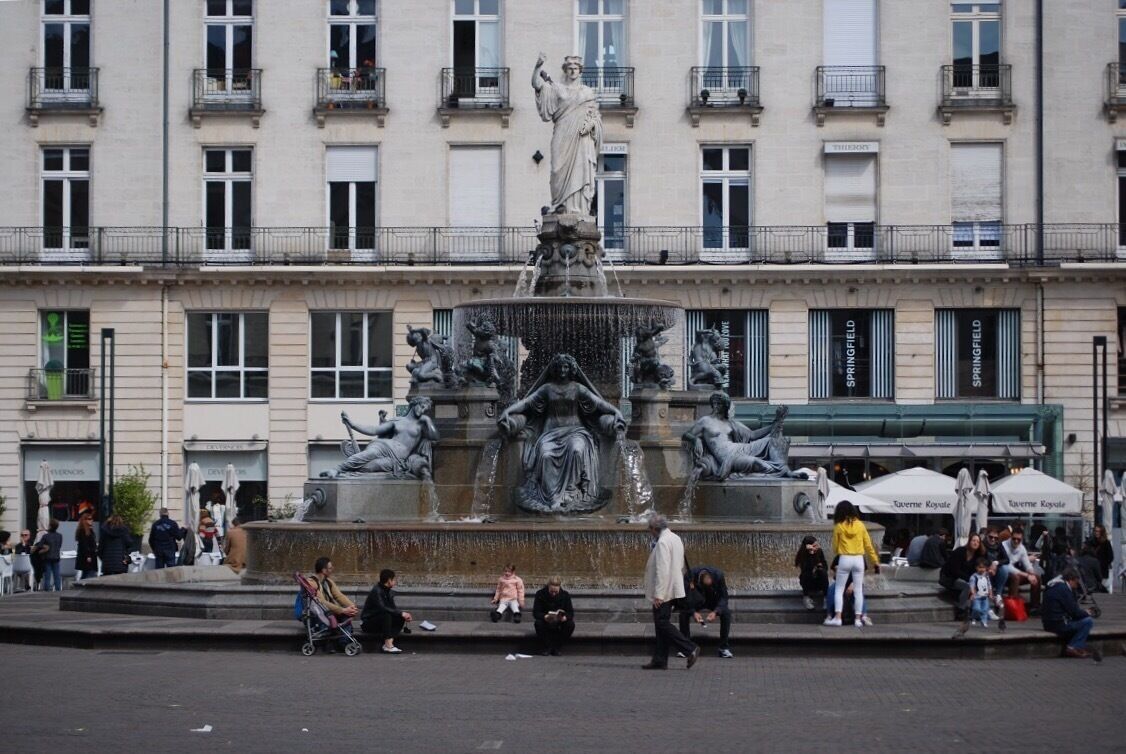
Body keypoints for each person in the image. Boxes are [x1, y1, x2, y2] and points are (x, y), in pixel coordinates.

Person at [641, 514, 699, 670]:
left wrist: (659, 595)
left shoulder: (662, 542)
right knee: (660, 624)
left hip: (664, 590)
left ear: (655, 529)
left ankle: (689, 648)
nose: (649, 532)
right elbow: (679, 564)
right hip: (674, 587)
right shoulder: (675, 538)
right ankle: (660, 659)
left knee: (662, 622)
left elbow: (662, 569)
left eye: (650, 529)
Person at [824, 501, 879, 627]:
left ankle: (837, 618)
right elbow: (868, 546)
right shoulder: (860, 525)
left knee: (839, 589)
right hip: (859, 559)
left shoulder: (839, 526)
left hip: (845, 558)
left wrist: (842, 549)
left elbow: (835, 547)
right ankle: (858, 620)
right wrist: (875, 561)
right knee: (858, 590)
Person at [1041, 568, 1101, 661]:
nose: (1076, 586)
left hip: (1048, 623)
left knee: (1080, 620)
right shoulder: (1064, 589)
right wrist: (1087, 613)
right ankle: (1073, 647)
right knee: (1087, 621)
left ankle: (1078, 646)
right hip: (1058, 624)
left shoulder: (1053, 585)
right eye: (1076, 582)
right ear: (1071, 579)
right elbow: (1075, 613)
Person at [679, 565, 734, 658]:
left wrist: (716, 611)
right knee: (684, 613)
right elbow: (684, 597)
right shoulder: (690, 575)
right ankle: (686, 648)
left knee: (726, 613)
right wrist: (693, 612)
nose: (709, 585)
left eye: (711, 584)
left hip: (712, 600)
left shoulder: (719, 575)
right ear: (700, 579)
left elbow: (724, 597)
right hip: (696, 600)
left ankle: (723, 648)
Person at [311, 557, 359, 651]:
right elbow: (321, 602)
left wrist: (352, 606)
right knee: (344, 614)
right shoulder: (312, 582)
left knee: (346, 616)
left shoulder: (328, 581)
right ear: (324, 570)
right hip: (320, 613)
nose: (332, 569)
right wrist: (342, 610)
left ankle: (343, 642)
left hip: (329, 611)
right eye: (330, 568)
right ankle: (343, 643)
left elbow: (339, 596)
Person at [361, 568, 412, 654]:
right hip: (368, 624)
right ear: (389, 580)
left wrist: (403, 615)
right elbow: (383, 608)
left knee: (400, 617)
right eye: (394, 579)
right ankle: (388, 645)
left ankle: (388, 643)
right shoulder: (376, 591)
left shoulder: (389, 591)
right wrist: (401, 613)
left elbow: (393, 609)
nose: (395, 581)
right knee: (386, 614)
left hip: (381, 622)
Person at [940, 532, 986, 621]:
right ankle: (960, 611)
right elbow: (954, 570)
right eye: (973, 540)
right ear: (969, 541)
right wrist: (970, 579)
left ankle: (976, 610)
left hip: (963, 578)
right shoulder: (960, 551)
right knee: (968, 586)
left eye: (978, 541)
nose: (975, 543)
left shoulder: (977, 556)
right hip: (949, 577)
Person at [532, 576, 575, 656]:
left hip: (560, 621)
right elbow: (536, 612)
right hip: (546, 620)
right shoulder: (540, 594)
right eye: (551, 591)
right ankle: (547, 647)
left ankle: (557, 647)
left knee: (570, 624)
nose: (554, 594)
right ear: (548, 587)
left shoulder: (565, 595)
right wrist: (545, 616)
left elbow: (571, 613)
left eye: (556, 592)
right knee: (538, 623)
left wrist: (565, 618)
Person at [1002, 525, 1041, 612]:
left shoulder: (1021, 548)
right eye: (1014, 538)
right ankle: (1013, 607)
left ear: (1021, 539)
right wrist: (1027, 575)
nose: (1016, 541)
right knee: (1015, 577)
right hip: (1003, 574)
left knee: (1037, 577)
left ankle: (1035, 606)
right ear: (1011, 537)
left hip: (1015, 573)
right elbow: (1008, 566)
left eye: (1018, 539)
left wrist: (1032, 574)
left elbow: (1027, 564)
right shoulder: (1004, 546)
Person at [825, 556, 867, 622]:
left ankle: (864, 615)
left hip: (854, 582)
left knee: (859, 591)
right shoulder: (839, 556)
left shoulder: (860, 555)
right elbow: (835, 575)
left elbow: (862, 574)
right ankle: (829, 615)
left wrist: (852, 584)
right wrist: (837, 571)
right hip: (841, 583)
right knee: (831, 589)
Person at [794, 535, 829, 610]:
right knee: (807, 573)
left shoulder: (819, 551)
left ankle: (826, 598)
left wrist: (819, 567)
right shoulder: (803, 554)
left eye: (817, 544)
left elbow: (825, 566)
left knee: (822, 572)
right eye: (814, 545)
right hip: (807, 582)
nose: (817, 547)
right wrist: (811, 554)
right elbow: (805, 568)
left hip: (819, 581)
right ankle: (806, 598)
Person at [982, 526, 1012, 609]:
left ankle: (998, 594)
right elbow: (980, 560)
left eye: (995, 538)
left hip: (996, 571)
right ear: (986, 536)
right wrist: (989, 567)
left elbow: (1007, 559)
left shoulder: (999, 545)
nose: (993, 540)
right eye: (991, 537)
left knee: (1005, 569)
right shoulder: (982, 545)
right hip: (985, 571)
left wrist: (996, 563)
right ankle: (988, 600)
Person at [34, 519, 64, 592]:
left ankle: (46, 590)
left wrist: (45, 547)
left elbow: (40, 545)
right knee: (57, 575)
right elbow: (59, 546)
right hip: (56, 557)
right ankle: (58, 589)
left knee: (47, 575)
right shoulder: (60, 536)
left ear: (50, 526)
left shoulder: (45, 536)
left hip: (47, 557)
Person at [968, 558, 995, 628]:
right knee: (976, 609)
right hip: (977, 597)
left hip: (985, 597)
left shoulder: (986, 576)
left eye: (983, 567)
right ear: (976, 567)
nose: (982, 569)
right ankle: (973, 617)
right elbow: (972, 586)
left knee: (985, 609)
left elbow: (989, 585)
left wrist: (991, 593)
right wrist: (973, 594)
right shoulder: (974, 577)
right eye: (980, 567)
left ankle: (984, 621)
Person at [75, 510, 98, 580]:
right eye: (89, 519)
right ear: (84, 520)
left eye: (92, 519)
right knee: (90, 573)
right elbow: (84, 545)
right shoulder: (82, 531)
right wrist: (88, 555)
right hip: (87, 556)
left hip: (90, 555)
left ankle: (81, 587)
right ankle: (83, 587)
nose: (92, 520)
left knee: (86, 573)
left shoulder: (89, 530)